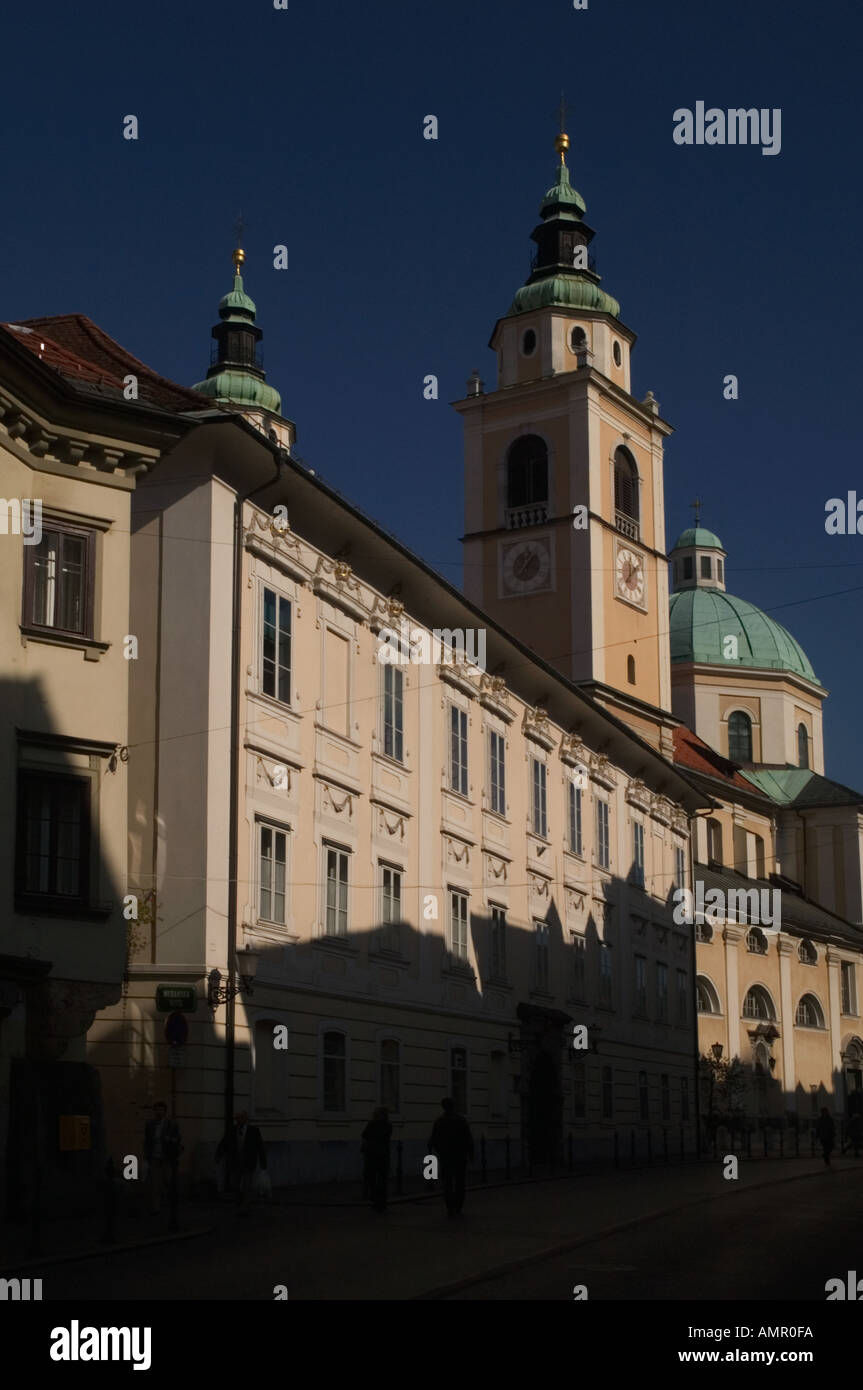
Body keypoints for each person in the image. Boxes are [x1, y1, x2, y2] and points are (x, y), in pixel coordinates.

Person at [429, 1097, 474, 1217]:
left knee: (447, 1183)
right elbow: (468, 1138)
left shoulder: (439, 1121)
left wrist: (440, 1151)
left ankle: (450, 1207)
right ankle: (458, 1206)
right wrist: (470, 1154)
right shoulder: (461, 1120)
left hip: (446, 1156)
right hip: (460, 1156)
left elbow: (434, 1140)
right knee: (460, 1182)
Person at [216, 1110, 268, 1211]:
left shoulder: (254, 1131)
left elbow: (260, 1146)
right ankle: (239, 1203)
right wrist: (218, 1155)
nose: (239, 1120)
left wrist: (263, 1162)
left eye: (241, 1118)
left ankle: (245, 1206)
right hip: (235, 1162)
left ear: (246, 1119)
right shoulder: (231, 1130)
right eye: (237, 1118)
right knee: (234, 1184)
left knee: (247, 1186)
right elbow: (224, 1143)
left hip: (248, 1162)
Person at [143, 1102, 182, 1215]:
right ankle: (156, 1208)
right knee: (155, 1183)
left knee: (168, 1180)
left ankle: (171, 1203)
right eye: (157, 1110)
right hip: (154, 1157)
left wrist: (170, 1139)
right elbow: (146, 1141)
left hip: (167, 1157)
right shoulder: (150, 1124)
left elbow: (178, 1138)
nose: (159, 1112)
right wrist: (146, 1155)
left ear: (165, 1112)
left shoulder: (171, 1124)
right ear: (154, 1111)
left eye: (161, 1110)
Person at [361, 1107, 392, 1212]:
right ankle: (381, 1202)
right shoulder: (388, 1125)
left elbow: (364, 1135)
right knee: (382, 1179)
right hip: (383, 1154)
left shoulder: (372, 1124)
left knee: (372, 1178)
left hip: (372, 1154)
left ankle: (375, 1200)